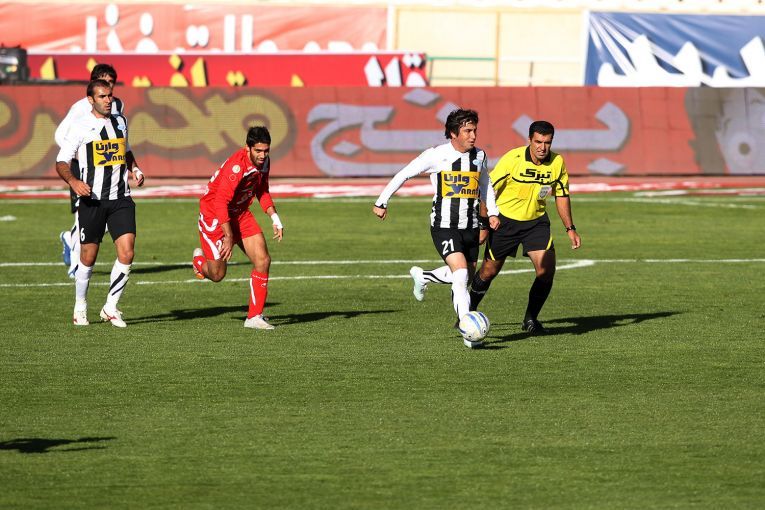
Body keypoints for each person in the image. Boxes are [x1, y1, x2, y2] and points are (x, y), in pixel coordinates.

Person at [372, 109, 496, 348]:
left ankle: (423, 276)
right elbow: (405, 174)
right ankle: (468, 331)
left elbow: (485, 184)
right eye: (467, 131)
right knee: (460, 275)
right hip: (444, 225)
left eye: (475, 131)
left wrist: (492, 213)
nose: (473, 136)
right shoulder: (437, 155)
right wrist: (382, 201)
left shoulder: (479, 156)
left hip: (470, 226)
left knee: (467, 275)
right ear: (453, 133)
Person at [469, 120, 581, 335]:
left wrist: (570, 228)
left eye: (547, 142)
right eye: (538, 142)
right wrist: (484, 223)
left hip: (536, 223)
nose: (542, 147)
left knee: (546, 271)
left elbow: (562, 195)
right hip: (505, 222)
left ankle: (531, 319)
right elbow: (487, 189)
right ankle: (467, 312)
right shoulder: (513, 159)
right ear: (529, 140)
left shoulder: (557, 162)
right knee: (488, 272)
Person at [55, 78, 146, 327]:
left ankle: (111, 307)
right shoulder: (80, 127)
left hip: (121, 198)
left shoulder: (121, 121)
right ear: (90, 100)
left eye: (110, 95)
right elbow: (61, 161)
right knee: (88, 257)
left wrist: (135, 169)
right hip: (92, 200)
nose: (108, 100)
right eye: (102, 96)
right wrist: (73, 181)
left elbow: (125, 150)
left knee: (127, 252)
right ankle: (80, 306)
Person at [192, 126, 284, 330]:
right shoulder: (237, 167)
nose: (262, 155)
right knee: (217, 275)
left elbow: (262, 190)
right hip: (215, 217)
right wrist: (228, 236)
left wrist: (274, 217)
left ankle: (254, 317)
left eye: (266, 150)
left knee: (263, 260)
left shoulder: (264, 163)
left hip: (240, 213)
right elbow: (220, 202)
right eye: (258, 151)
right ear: (247, 148)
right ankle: (199, 263)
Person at [56, 64, 125, 278]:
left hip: (108, 168)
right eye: (105, 82)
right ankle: (76, 265)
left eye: (112, 83)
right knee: (84, 216)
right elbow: (60, 134)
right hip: (83, 167)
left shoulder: (117, 104)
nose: (109, 88)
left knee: (107, 218)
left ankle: (70, 238)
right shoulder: (80, 107)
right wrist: (80, 154)